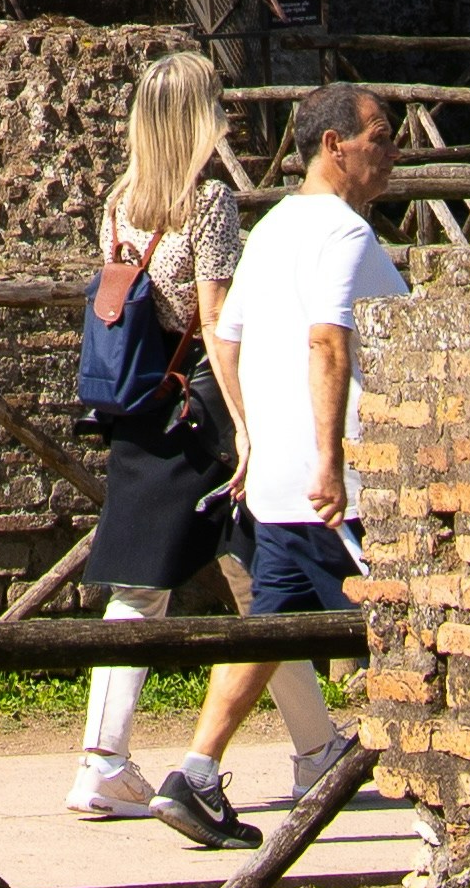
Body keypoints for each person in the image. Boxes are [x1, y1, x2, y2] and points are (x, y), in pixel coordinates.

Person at [166, 88, 396, 844]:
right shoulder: (342, 234)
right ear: (335, 145)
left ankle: (195, 775)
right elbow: (329, 341)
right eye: (379, 137)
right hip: (338, 491)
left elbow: (223, 339)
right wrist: (327, 461)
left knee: (268, 630)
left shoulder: (267, 232)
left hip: (278, 487)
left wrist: (252, 435)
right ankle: (453, 794)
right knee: (406, 631)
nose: (390, 153)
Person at [64, 56, 250, 824]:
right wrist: (248, 423)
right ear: (198, 117)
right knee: (166, 585)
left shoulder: (121, 203)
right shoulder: (209, 203)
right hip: (196, 407)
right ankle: (102, 763)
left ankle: (317, 748)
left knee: (245, 565)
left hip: (138, 406)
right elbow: (217, 322)